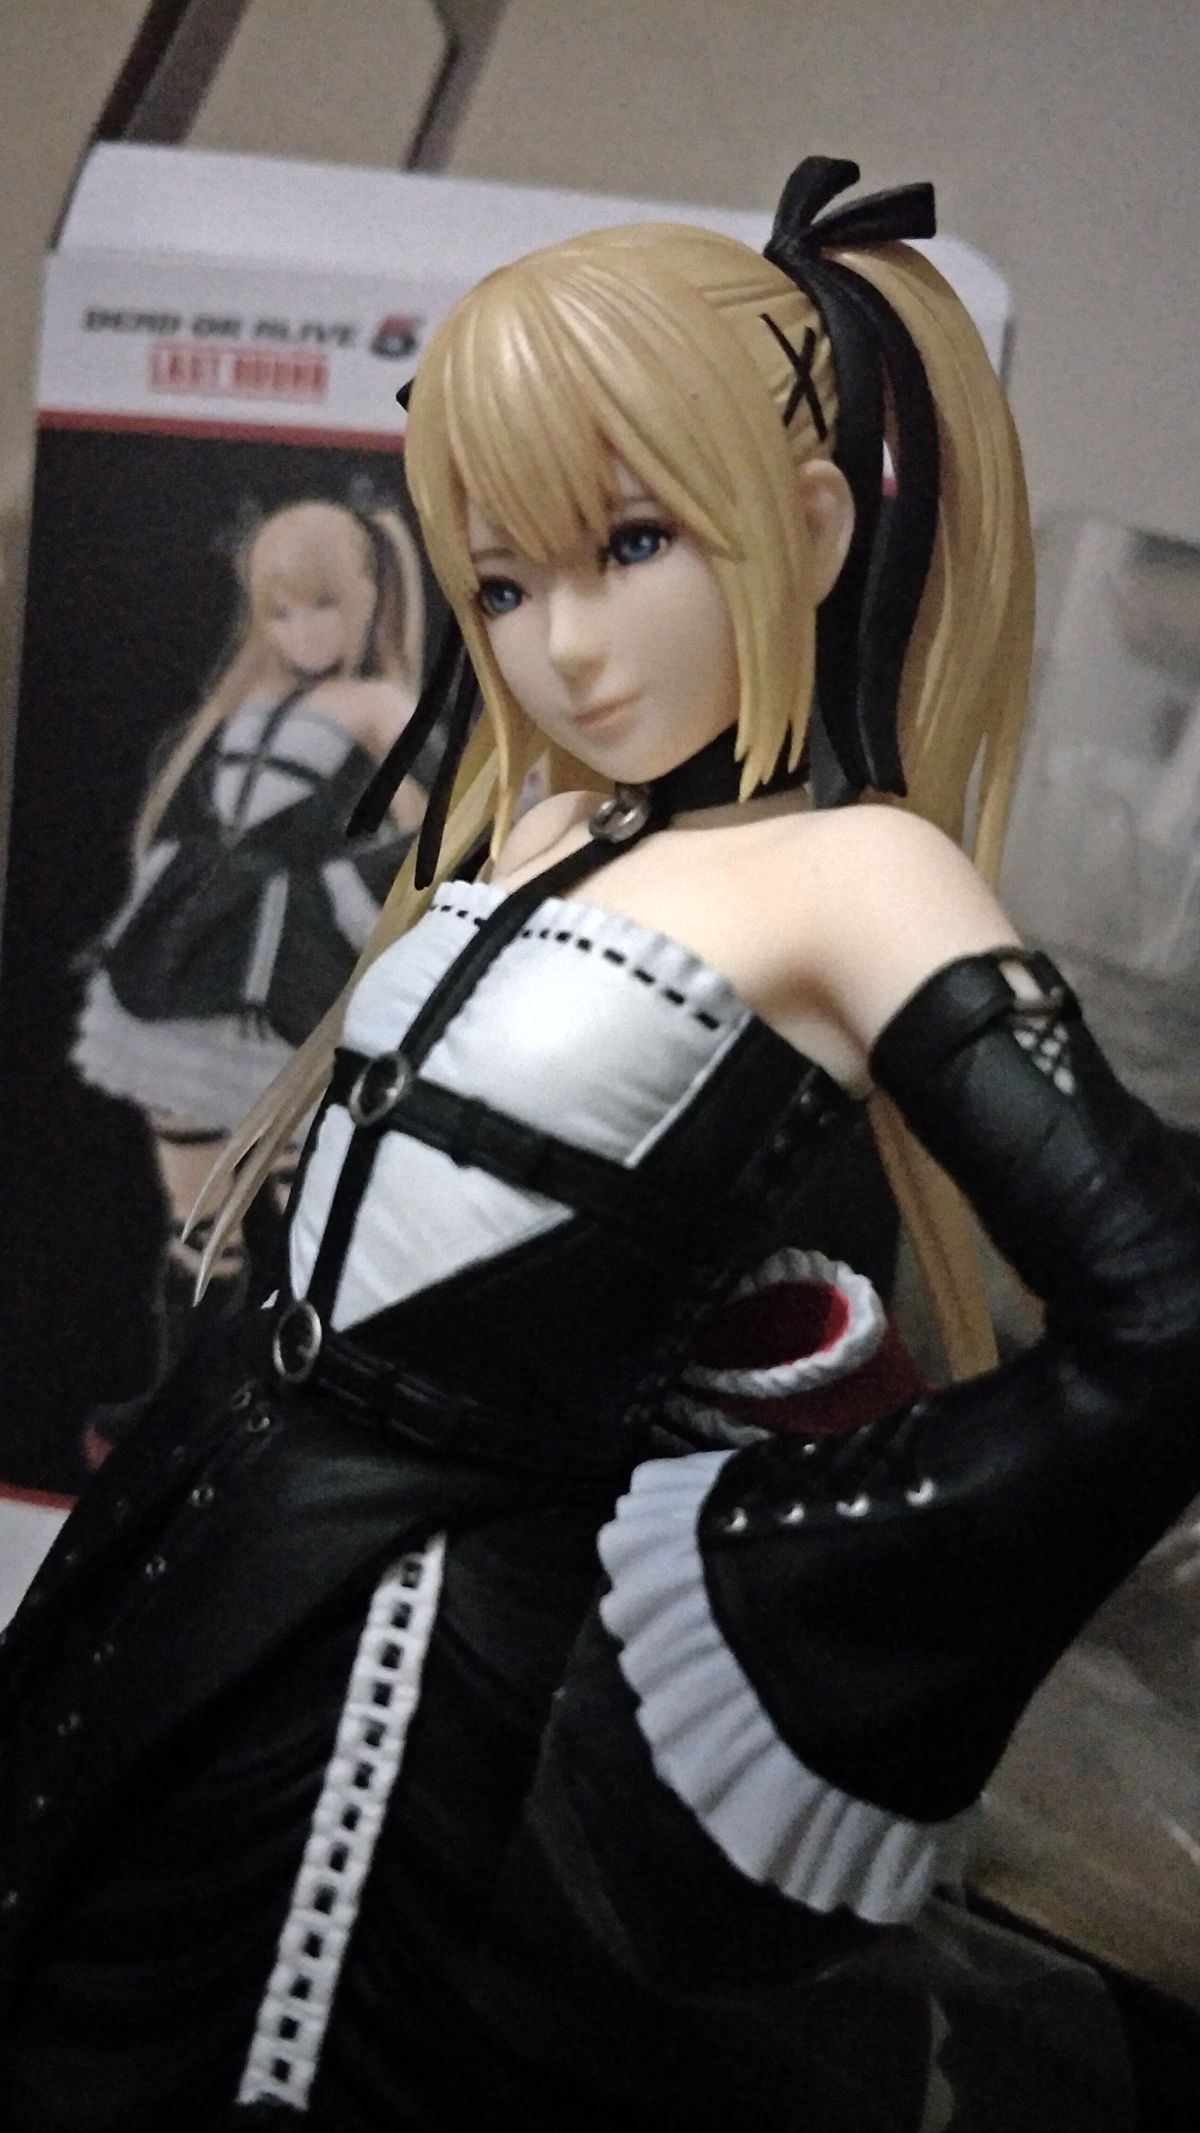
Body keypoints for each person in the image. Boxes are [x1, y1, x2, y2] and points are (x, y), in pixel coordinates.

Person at [0, 158, 1197, 2132]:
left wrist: (770, 1565)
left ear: (807, 524)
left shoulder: (857, 875)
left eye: (631, 542)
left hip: (423, 1665)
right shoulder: (551, 818)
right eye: (500, 582)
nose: (559, 645)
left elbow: (1165, 1312)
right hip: (205, 1529)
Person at [72, 497, 430, 1447]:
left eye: (323, 604)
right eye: (281, 611)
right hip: (195, 963)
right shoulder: (249, 701)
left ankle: (285, 1411)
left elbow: (442, 835)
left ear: (369, 594)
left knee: (302, 1210)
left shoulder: (381, 705)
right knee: (197, 1213)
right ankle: (177, 1405)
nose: (302, 630)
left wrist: (335, 893)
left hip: (288, 976)